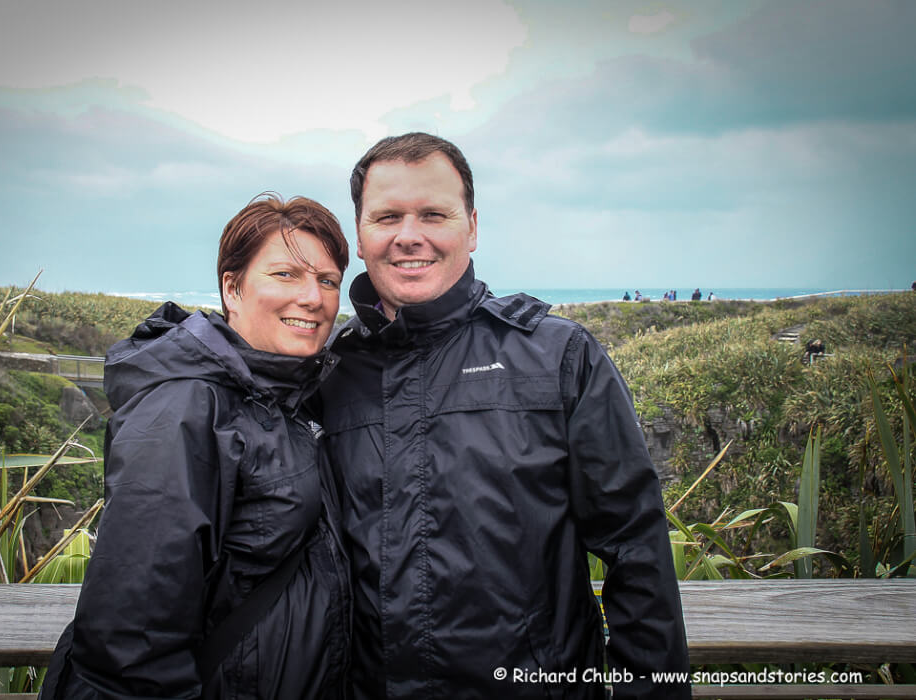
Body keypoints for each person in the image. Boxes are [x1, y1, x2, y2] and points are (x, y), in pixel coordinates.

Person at [321, 133, 689, 699]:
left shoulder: (558, 355)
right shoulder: (330, 372)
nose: (408, 235)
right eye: (387, 216)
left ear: (472, 227)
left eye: (433, 214)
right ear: (361, 235)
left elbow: (636, 552)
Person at [41, 194, 352, 699]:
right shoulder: (185, 408)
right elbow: (130, 640)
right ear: (233, 287)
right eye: (286, 275)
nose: (314, 298)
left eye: (327, 280)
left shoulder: (289, 396)